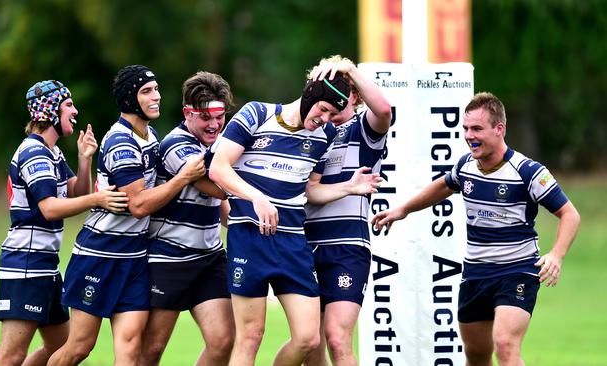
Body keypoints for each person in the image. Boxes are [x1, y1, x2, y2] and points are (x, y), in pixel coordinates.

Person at [371, 92, 581, 366]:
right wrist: (403, 210)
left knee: (505, 346)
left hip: (516, 270)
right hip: (476, 273)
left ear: (499, 129)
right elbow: (445, 185)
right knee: (476, 354)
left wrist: (556, 254)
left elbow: (570, 214)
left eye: (477, 129)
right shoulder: (466, 166)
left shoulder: (528, 172)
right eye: (466, 129)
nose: (469, 135)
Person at [209, 70, 382, 366]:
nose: (325, 118)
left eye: (333, 114)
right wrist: (256, 197)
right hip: (250, 237)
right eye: (323, 109)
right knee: (250, 336)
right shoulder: (256, 114)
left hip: (293, 242)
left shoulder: (324, 135)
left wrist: (348, 187)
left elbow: (311, 189)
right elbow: (218, 168)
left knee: (308, 339)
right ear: (310, 95)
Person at [47, 65, 206, 366]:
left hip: (134, 258)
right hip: (100, 254)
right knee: (80, 347)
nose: (156, 96)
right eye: (147, 91)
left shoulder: (151, 136)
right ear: (130, 99)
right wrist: (183, 177)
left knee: (131, 346)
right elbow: (138, 205)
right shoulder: (120, 142)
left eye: (156, 89)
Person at [0, 80, 129, 366]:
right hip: (25, 266)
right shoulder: (34, 153)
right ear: (49, 111)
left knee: (64, 347)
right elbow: (51, 208)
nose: (75, 110)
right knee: (11, 356)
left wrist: (84, 160)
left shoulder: (52, 153)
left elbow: (77, 194)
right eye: (68, 105)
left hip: (46, 266)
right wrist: (98, 200)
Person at [139, 71, 234, 366]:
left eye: (219, 117)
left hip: (209, 258)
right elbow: (218, 187)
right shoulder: (176, 145)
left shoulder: (216, 146)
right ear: (187, 114)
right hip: (170, 257)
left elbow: (223, 206)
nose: (215, 125)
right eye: (206, 118)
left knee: (223, 341)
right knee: (152, 349)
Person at [302, 56, 392, 366]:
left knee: (338, 338)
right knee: (309, 342)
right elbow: (306, 192)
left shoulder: (362, 128)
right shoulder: (310, 132)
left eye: (339, 90)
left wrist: (349, 69)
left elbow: (383, 111)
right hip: (306, 247)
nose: (331, 100)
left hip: (346, 248)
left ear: (354, 95)